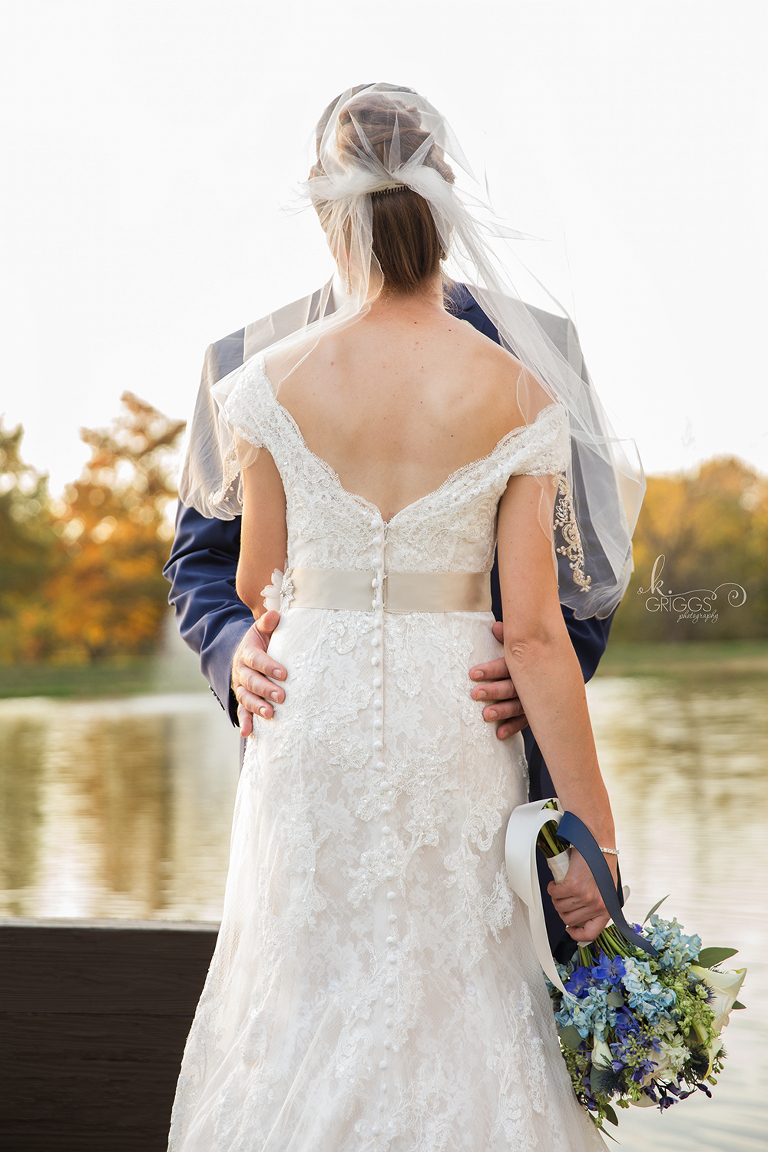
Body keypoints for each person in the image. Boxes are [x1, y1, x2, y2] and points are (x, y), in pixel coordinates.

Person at [167, 84, 643, 1151]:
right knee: (441, 1001)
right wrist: (596, 842)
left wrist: (299, 621)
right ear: (444, 192)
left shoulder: (263, 383)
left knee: (316, 1002)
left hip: (327, 718)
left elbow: (254, 577)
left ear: (324, 201)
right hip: (432, 721)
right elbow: (537, 626)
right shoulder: (520, 385)